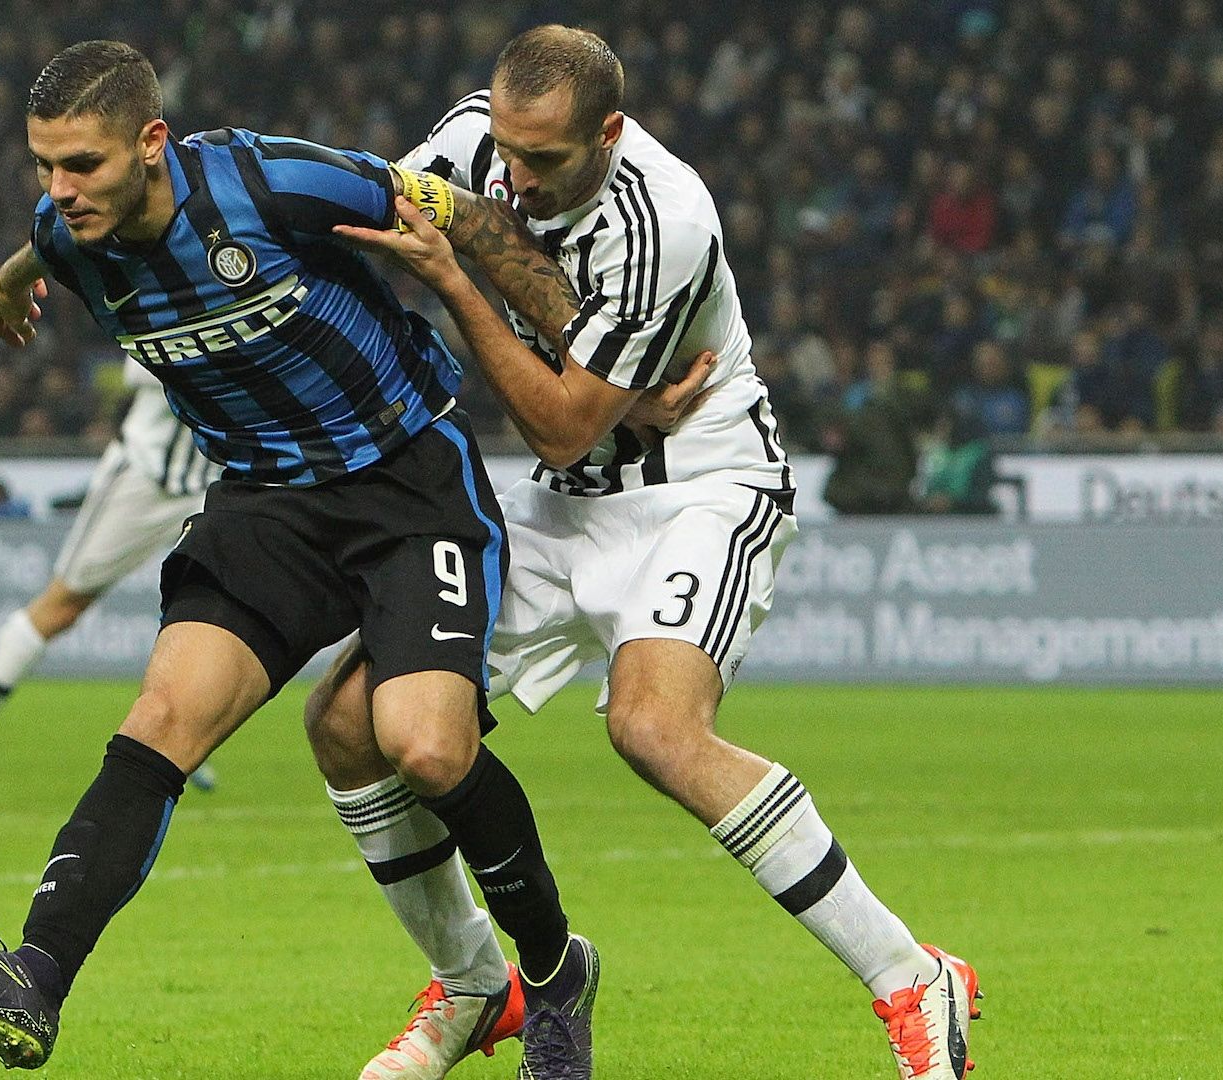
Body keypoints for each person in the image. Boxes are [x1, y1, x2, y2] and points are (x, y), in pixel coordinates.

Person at [0, 41, 589, 1075]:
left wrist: (586, 347)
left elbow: (461, 216)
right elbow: (41, 246)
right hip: (264, 502)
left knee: (425, 747)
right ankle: (36, 979)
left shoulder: (273, 182)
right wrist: (6, 286)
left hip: (405, 480)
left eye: (81, 164)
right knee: (162, 718)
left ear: (151, 142)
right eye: (43, 166)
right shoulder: (69, 234)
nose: (58, 189)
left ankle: (551, 973)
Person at [308, 27, 980, 1080]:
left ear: (609, 132)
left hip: (699, 486)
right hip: (563, 507)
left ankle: (908, 974)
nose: (515, 180)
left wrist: (454, 276)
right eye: (507, 154)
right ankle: (478, 985)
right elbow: (357, 204)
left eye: (545, 162)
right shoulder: (475, 142)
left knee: (654, 726)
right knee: (351, 722)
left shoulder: (663, 216)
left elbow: (562, 422)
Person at [0, 360, 222, 812]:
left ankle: (175, 729)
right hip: (144, 479)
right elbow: (143, 368)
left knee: (214, 607)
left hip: (213, 483)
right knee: (63, 604)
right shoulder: (170, 298)